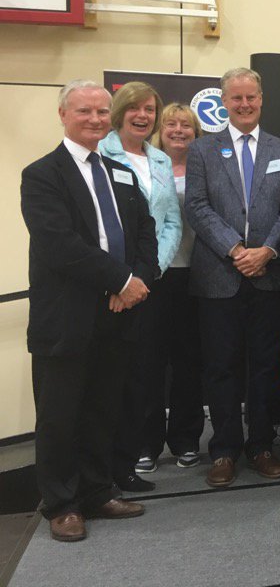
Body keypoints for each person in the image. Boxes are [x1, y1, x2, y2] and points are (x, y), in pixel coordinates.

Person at [21, 80, 158, 542]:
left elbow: (145, 232)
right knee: (60, 416)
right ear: (63, 114)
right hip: (66, 317)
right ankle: (61, 504)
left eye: (102, 111)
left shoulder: (120, 171)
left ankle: (98, 491)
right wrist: (120, 280)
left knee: (103, 409)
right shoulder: (42, 175)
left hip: (118, 313)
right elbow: (59, 245)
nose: (96, 119)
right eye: (84, 111)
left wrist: (136, 282)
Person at [185, 67, 280, 488]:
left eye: (251, 97)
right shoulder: (202, 150)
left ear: (261, 99)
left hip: (268, 275)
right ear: (224, 102)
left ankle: (262, 445)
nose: (245, 104)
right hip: (219, 276)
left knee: (265, 366)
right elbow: (196, 206)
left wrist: (267, 250)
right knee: (221, 367)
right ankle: (224, 450)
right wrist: (236, 250)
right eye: (236, 98)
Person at [98, 81, 182, 492]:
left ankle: (132, 457)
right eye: (135, 108)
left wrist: (148, 274)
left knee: (146, 373)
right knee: (116, 377)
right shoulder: (100, 153)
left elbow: (171, 222)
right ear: (119, 111)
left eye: (150, 109)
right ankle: (106, 465)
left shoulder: (160, 159)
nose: (143, 116)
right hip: (111, 286)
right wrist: (123, 278)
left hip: (151, 281)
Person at [137, 103, 205, 474]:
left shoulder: (205, 168)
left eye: (186, 125)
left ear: (196, 132)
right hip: (153, 277)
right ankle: (146, 444)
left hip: (194, 275)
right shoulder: (144, 167)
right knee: (148, 363)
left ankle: (186, 439)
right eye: (171, 124)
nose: (179, 130)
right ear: (159, 130)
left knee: (188, 363)